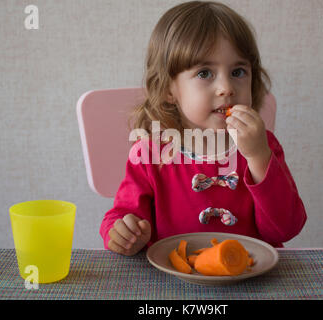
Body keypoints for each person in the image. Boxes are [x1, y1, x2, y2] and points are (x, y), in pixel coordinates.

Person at [100, 1, 307, 256]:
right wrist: (122, 232)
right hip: (172, 280)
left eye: (238, 71)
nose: (226, 88)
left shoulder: (263, 146)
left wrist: (258, 157)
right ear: (168, 89)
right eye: (205, 73)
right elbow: (122, 216)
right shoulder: (151, 154)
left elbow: (285, 229)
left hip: (249, 282)